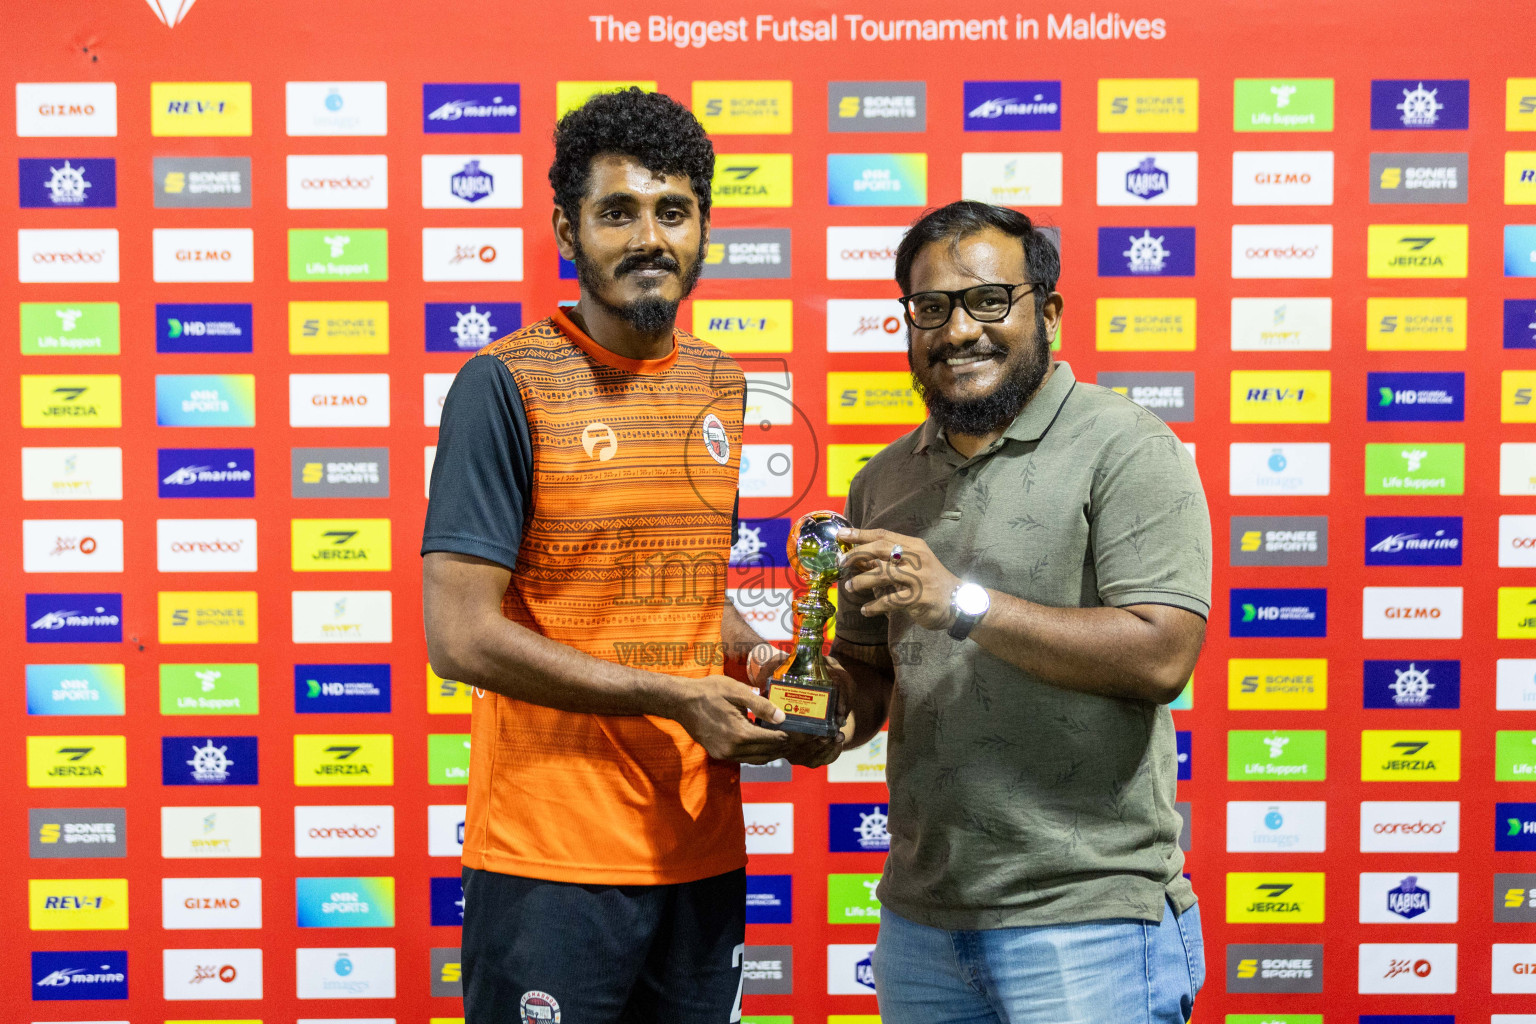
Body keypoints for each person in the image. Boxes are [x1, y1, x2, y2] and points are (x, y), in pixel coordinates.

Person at [421, 87, 836, 1024]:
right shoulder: (503, 386)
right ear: (566, 229)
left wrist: (765, 665)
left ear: (702, 229)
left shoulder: (720, 385)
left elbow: (687, 599)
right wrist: (671, 695)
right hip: (549, 857)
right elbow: (460, 637)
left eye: (673, 211)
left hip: (701, 850)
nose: (649, 237)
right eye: (617, 212)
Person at [830, 200, 1211, 1024]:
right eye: (931, 308)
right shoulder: (883, 482)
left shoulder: (1128, 446)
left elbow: (1161, 655)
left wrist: (960, 604)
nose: (959, 330)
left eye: (988, 301)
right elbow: (865, 679)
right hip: (922, 919)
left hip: (1090, 919)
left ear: (1051, 311)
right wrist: (793, 703)